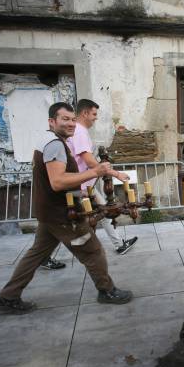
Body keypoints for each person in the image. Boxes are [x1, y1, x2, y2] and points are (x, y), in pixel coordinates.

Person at [0, 102, 133, 313]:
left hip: (49, 212)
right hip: (61, 213)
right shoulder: (55, 145)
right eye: (64, 119)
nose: (70, 124)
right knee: (93, 251)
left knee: (36, 254)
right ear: (52, 121)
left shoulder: (50, 140)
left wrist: (107, 173)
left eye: (72, 119)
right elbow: (57, 182)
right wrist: (94, 173)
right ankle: (107, 291)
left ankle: (8, 297)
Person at [68, 99, 138, 255]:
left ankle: (119, 244)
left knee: (104, 211)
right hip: (81, 185)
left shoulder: (79, 131)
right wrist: (116, 174)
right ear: (85, 113)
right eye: (94, 114)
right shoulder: (79, 131)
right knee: (66, 221)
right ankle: (78, 247)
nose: (96, 117)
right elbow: (90, 161)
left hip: (85, 184)